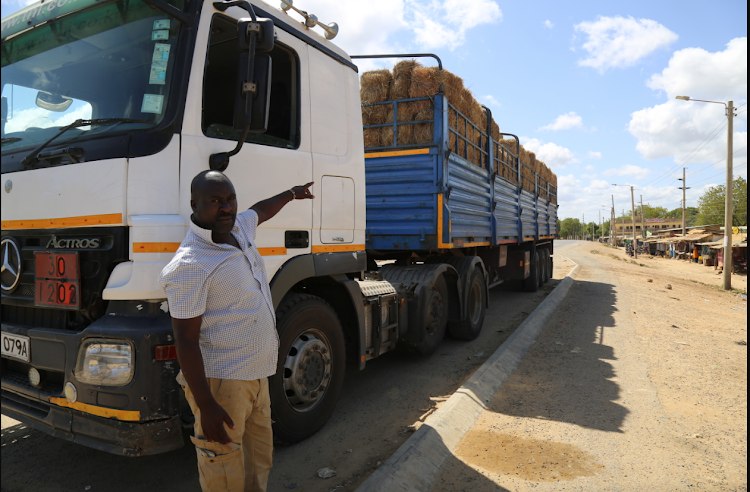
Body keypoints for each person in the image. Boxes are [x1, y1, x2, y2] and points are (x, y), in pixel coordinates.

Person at [160, 170, 314, 492]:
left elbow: (260, 210)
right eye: (215, 201)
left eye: (230, 199)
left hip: (256, 376)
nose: (226, 207)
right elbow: (185, 341)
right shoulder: (190, 264)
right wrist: (206, 406)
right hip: (223, 385)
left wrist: (292, 193)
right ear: (194, 204)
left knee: (259, 463)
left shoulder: (238, 230)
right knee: (224, 473)